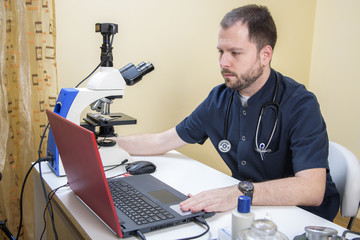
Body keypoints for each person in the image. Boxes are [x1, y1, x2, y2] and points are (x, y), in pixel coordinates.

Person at [115, 4, 340, 221]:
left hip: (301, 217)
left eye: (235, 53)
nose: (224, 62)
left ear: (265, 55)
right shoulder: (219, 99)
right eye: (221, 52)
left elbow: (312, 188)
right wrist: (105, 144)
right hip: (247, 208)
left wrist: (238, 192)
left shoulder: (300, 103)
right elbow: (160, 141)